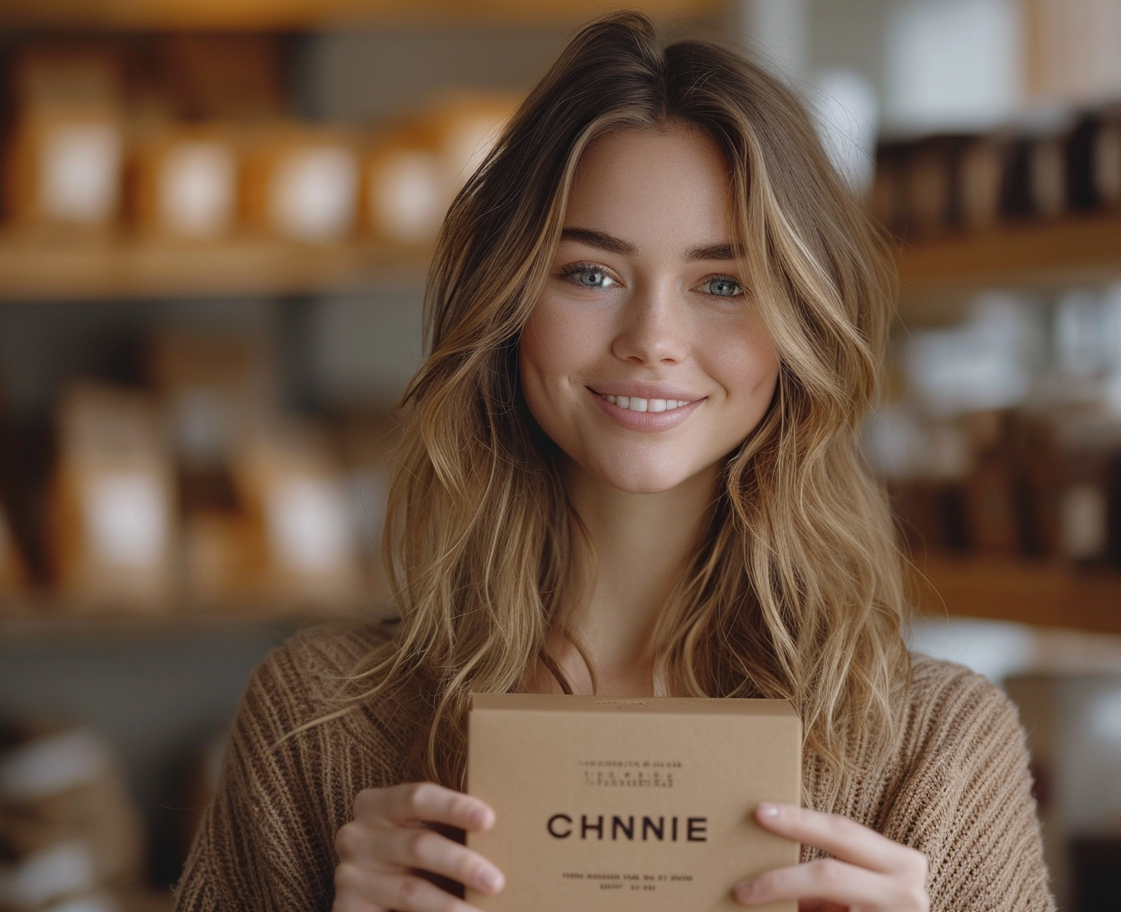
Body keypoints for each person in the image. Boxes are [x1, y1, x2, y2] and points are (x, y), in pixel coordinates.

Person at [175, 11, 1054, 912]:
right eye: (590, 274)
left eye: (723, 284)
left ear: (802, 328)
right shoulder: (314, 720)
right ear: (507, 299)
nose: (654, 341)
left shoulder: (935, 750)